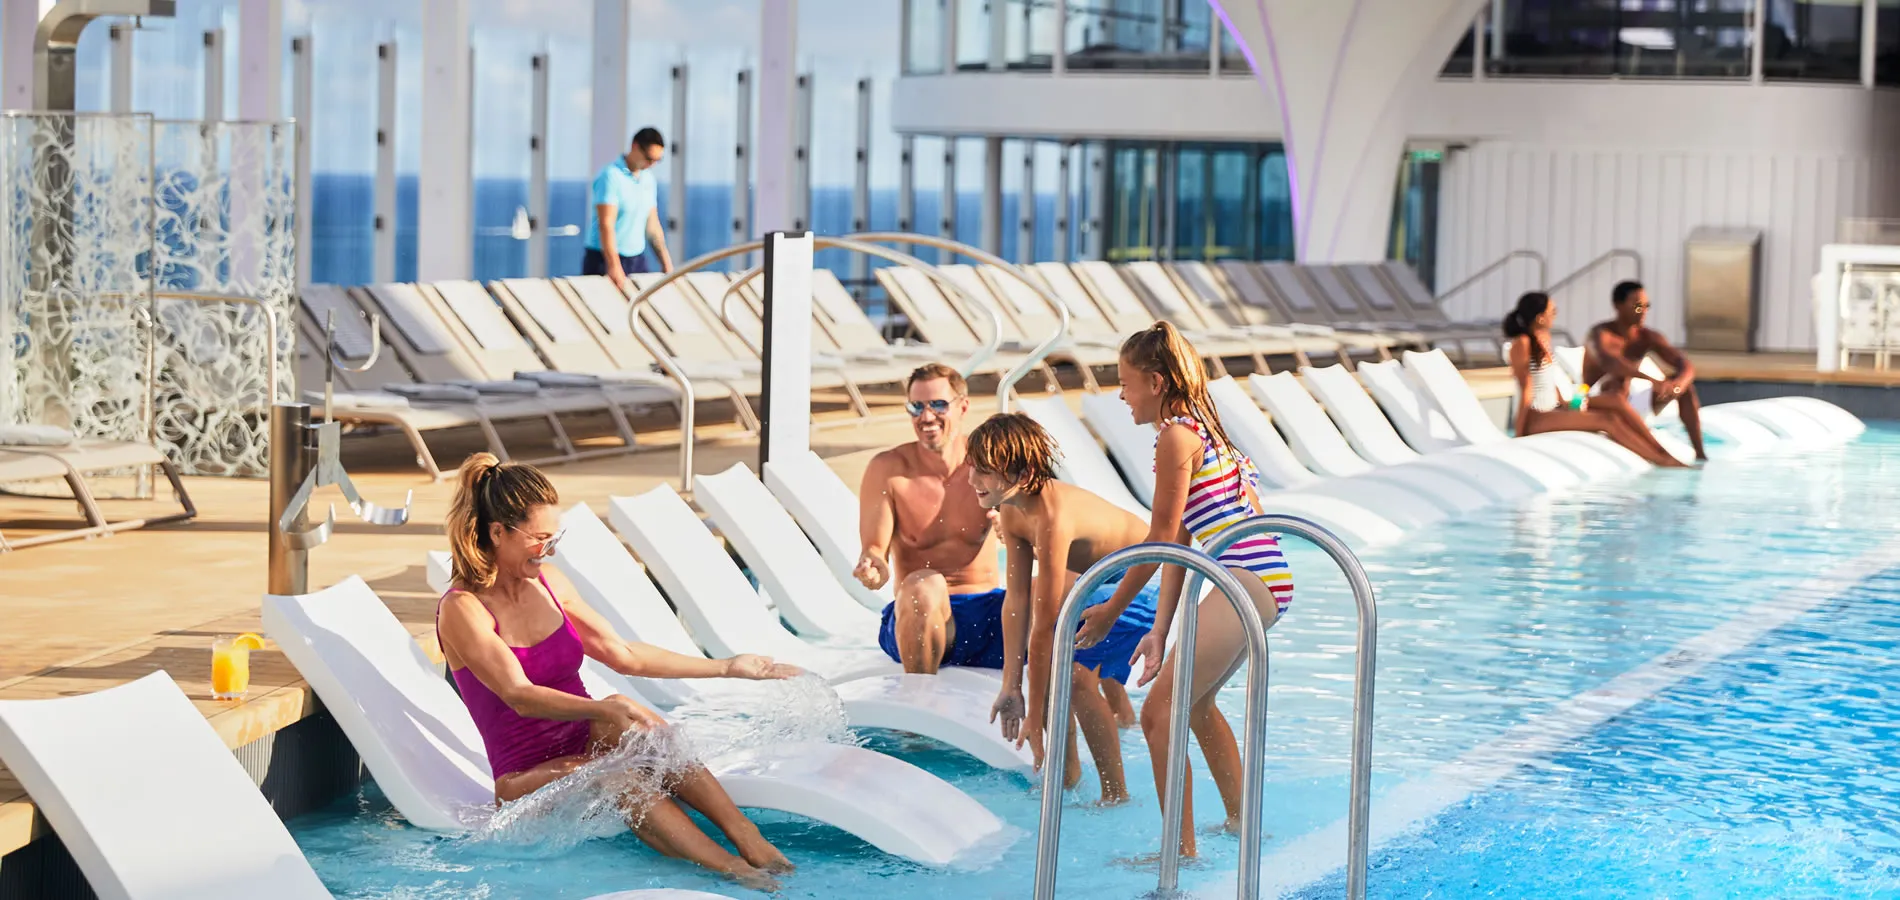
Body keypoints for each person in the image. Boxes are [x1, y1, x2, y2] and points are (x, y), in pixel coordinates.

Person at [439, 453, 796, 889]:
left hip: (581, 741)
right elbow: (519, 694)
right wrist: (601, 714)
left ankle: (745, 833)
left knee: (629, 714)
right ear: (499, 532)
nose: (550, 549)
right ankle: (732, 868)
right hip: (523, 777)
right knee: (616, 768)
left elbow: (621, 652)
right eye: (540, 538)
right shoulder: (463, 609)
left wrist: (726, 666)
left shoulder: (549, 582)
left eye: (556, 537)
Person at [1074, 321, 1295, 859]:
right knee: (1194, 706)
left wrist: (1108, 612)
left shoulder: (1176, 436)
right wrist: (1156, 629)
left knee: (1157, 714)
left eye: (1125, 383)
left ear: (1154, 381)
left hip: (1243, 575)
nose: (1120, 395)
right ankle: (1243, 823)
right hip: (1262, 577)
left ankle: (1179, 850)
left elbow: (1157, 539)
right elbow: (1177, 542)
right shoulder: (1200, 430)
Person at [968, 413, 1158, 806]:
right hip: (1094, 578)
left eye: (983, 471)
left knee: (1072, 676)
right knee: (1056, 666)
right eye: (972, 468)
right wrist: (1011, 685)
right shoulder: (1012, 508)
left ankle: (1115, 794)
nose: (972, 481)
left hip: (1145, 577)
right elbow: (1017, 601)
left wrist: (1035, 713)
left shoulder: (1052, 516)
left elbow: (1045, 623)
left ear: (1020, 471)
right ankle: (1067, 773)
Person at [1505, 291, 1686, 468]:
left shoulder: (1542, 339)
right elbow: (1526, 387)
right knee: (1608, 420)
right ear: (1540, 318)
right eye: (1552, 311)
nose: (1555, 315)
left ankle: (1660, 450)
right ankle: (1660, 459)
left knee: (1616, 401)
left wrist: (1564, 404)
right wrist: (1519, 433)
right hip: (1536, 417)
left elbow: (1547, 381)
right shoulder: (1522, 344)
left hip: (1554, 408)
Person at [1584, 280, 1708, 461]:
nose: (1643, 310)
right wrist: (1652, 380)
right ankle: (1659, 454)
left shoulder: (1646, 336)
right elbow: (1612, 364)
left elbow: (1684, 364)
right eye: (1637, 305)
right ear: (1618, 305)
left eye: (1646, 305)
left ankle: (1700, 454)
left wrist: (1677, 385)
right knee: (1617, 380)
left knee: (1686, 388)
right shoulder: (1601, 334)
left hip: (1628, 401)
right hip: (1599, 399)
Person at [583, 127, 674, 288]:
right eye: (649, 158)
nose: (651, 165)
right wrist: (614, 266)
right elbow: (606, 224)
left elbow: (652, 225)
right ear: (635, 146)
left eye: (657, 161)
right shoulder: (610, 176)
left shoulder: (648, 179)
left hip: (637, 259)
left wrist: (666, 264)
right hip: (603, 259)